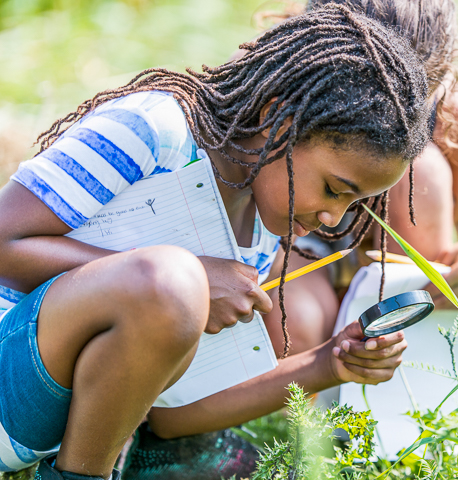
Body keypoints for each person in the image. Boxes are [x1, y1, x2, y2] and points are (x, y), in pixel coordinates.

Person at [0, 5, 432, 479]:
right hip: (12, 377)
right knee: (171, 281)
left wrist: (329, 363)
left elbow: (169, 415)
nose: (334, 217)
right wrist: (189, 279)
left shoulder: (263, 228)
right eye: (334, 188)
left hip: (45, 431)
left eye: (354, 204)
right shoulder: (156, 129)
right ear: (279, 120)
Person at [263, 0, 458, 356]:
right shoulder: (276, 86)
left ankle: (410, 367)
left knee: (422, 173)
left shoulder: (453, 116)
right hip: (296, 244)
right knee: (295, 321)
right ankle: (311, 396)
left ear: (439, 77)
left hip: (394, 257)